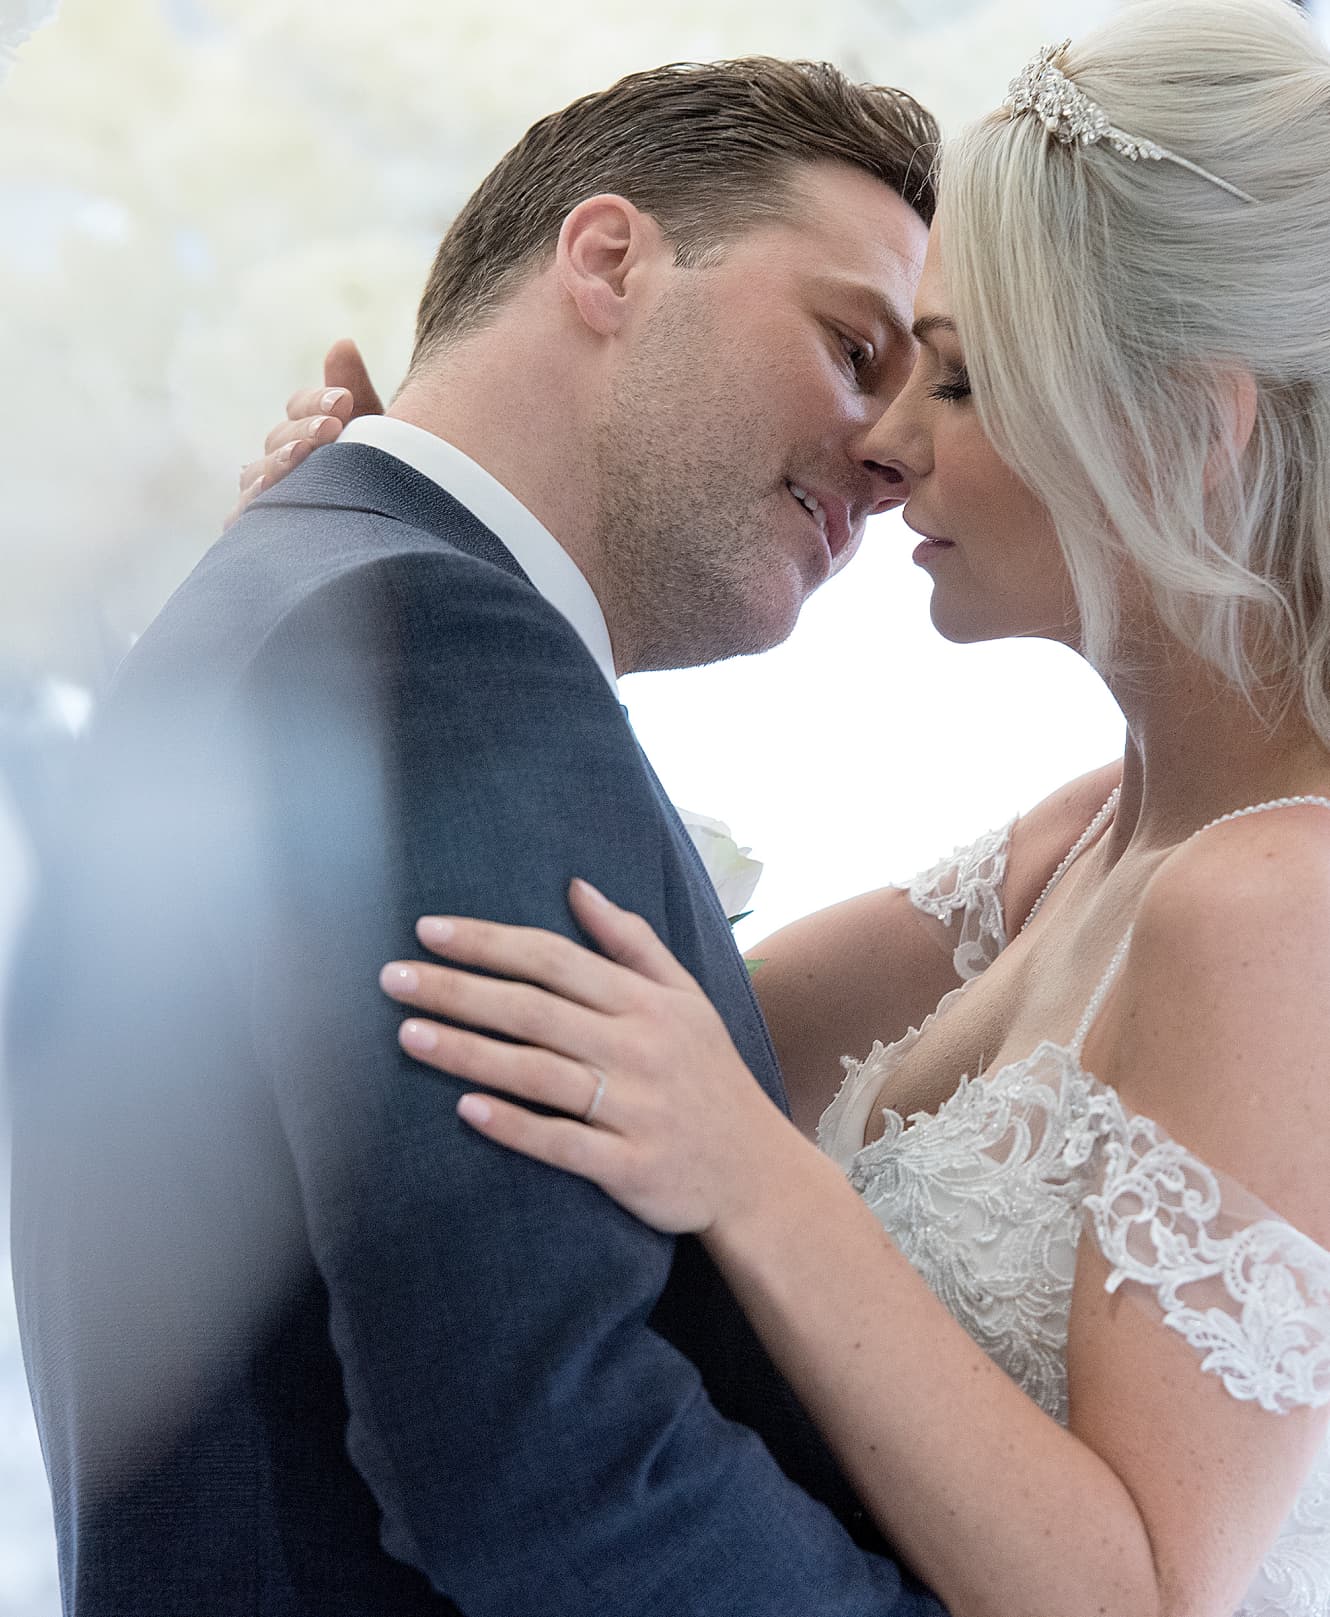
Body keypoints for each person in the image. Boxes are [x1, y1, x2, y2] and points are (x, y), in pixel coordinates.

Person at [260, 2, 1330, 1613]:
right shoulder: (1076, 838)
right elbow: (627, 1031)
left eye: (956, 383)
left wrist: (761, 1184)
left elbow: (1144, 1593)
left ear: (1188, 429)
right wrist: (409, 593)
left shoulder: (1274, 910)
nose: (886, 448)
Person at [6, 56, 951, 1617]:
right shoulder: (438, 650)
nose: (886, 447)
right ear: (607, 259)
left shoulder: (306, 583)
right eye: (853, 348)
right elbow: (547, 1463)